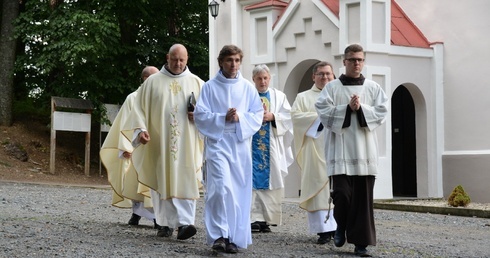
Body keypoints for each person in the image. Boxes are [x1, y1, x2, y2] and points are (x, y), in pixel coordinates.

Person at [122, 44, 204, 240]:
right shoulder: (152, 82)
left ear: (187, 59)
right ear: (167, 57)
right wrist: (141, 130)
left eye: (182, 60)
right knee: (161, 181)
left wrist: (199, 117)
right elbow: (138, 110)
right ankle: (164, 224)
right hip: (158, 142)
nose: (178, 63)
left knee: (186, 180)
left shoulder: (197, 83)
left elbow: (207, 113)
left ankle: (185, 223)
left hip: (187, 144)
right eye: (174, 59)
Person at [315, 44, 388, 257]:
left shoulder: (373, 87)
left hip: (364, 152)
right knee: (343, 195)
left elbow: (382, 111)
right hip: (339, 150)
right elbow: (323, 112)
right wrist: (347, 109)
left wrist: (361, 109)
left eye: (360, 60)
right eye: (352, 60)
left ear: (363, 62)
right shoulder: (332, 88)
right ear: (344, 62)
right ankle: (341, 226)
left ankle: (360, 243)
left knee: (362, 201)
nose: (357, 63)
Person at [193, 45, 264, 254]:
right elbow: (200, 115)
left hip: (239, 144)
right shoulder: (209, 87)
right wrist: (221, 118)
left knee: (237, 192)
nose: (233, 64)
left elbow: (257, 114)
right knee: (219, 188)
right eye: (229, 60)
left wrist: (239, 117)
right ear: (221, 62)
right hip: (218, 142)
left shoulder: (248, 88)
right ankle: (218, 235)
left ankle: (233, 237)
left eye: (237, 60)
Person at [100, 66, 159, 227]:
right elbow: (124, 123)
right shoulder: (133, 98)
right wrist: (126, 146)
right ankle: (136, 213)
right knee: (134, 181)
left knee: (151, 182)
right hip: (137, 146)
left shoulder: (160, 97)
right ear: (146, 79)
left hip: (155, 146)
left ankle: (157, 216)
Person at [291, 61, 337, 245]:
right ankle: (323, 230)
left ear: (333, 75)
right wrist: (320, 117)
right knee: (318, 189)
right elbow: (296, 117)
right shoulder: (303, 97)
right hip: (314, 149)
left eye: (328, 74)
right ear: (313, 76)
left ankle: (340, 227)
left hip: (338, 148)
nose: (325, 77)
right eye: (321, 74)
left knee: (339, 189)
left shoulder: (338, 93)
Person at [250, 64, 294, 233]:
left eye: (265, 78)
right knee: (251, 180)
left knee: (271, 180)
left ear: (270, 78)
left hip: (272, 145)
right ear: (253, 79)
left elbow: (289, 116)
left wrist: (273, 116)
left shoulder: (279, 96)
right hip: (251, 146)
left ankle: (267, 219)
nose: (263, 81)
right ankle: (253, 219)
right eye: (259, 78)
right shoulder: (248, 94)